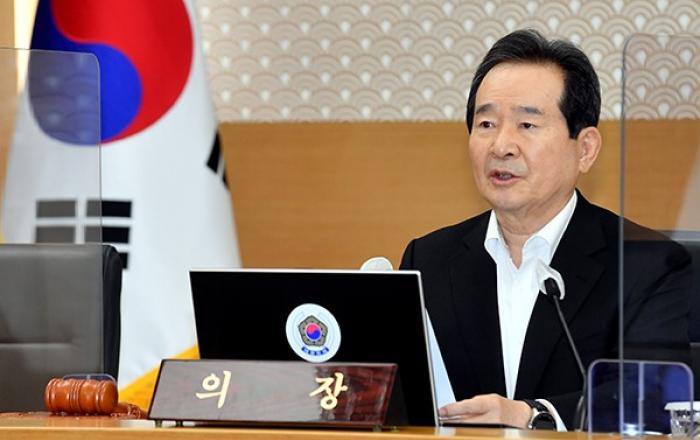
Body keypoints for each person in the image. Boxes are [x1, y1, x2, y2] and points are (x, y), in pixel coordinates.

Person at [400, 29, 691, 430]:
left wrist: (534, 415)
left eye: (527, 124)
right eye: (486, 123)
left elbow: (654, 397)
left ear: (585, 148)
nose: (501, 145)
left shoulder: (648, 264)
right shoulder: (429, 260)